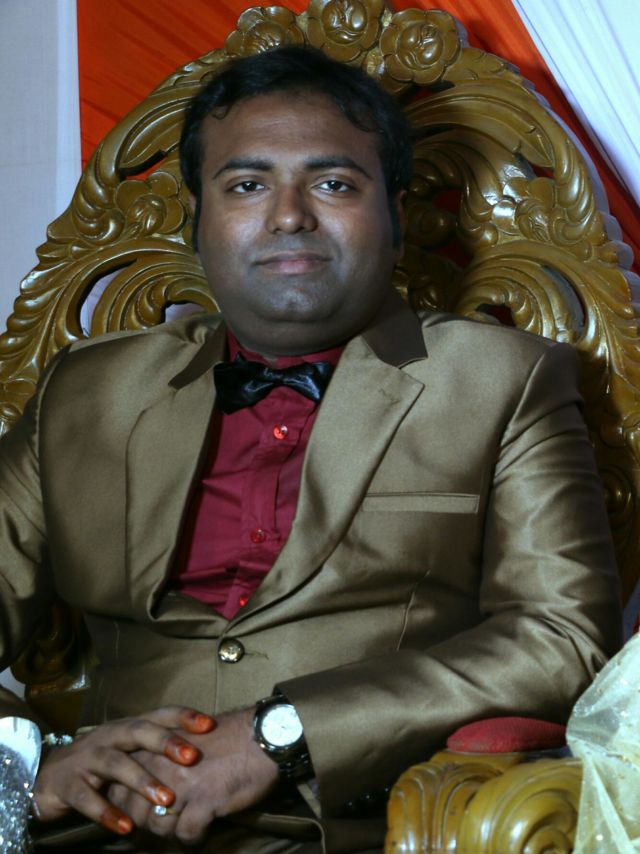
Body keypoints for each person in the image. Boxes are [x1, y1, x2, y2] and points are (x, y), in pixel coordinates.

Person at [0, 46, 621, 853]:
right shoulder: (86, 389)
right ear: (196, 217)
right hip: (97, 829)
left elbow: (561, 636)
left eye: (333, 184)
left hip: (369, 829)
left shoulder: (504, 379)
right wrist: (29, 768)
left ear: (397, 215)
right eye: (246, 186)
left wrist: (281, 736)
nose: (289, 216)